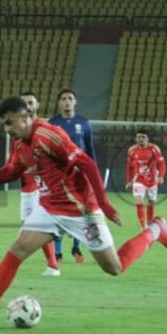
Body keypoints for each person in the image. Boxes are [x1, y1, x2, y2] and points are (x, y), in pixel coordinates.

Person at [0, 96, 167, 327]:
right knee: (17, 249)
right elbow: (11, 172)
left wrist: (104, 204)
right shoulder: (20, 143)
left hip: (80, 211)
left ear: (25, 117)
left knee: (115, 267)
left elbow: (87, 164)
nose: (6, 129)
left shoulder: (48, 135)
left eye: (10, 123)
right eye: (4, 124)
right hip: (49, 207)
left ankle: (156, 229)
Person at [47, 87, 97, 264]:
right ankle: (58, 253)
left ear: (75, 102)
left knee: (81, 211)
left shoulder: (84, 122)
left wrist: (93, 171)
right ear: (59, 103)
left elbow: (90, 148)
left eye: (70, 98)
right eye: (63, 99)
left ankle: (77, 249)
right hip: (59, 175)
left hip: (80, 173)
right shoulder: (52, 123)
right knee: (59, 211)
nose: (67, 101)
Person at [16, 91, 60, 277]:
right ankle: (52, 265)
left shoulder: (44, 129)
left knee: (36, 226)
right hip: (26, 187)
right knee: (28, 224)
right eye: (23, 103)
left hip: (40, 187)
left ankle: (53, 266)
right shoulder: (17, 130)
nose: (27, 106)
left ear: (37, 105)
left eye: (30, 102)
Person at [126, 130, 166, 229]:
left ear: (147, 139)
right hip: (138, 179)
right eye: (139, 137)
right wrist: (128, 181)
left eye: (143, 137)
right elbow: (129, 167)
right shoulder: (132, 150)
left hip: (152, 179)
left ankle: (150, 224)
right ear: (136, 139)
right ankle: (143, 227)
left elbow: (161, 164)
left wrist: (161, 176)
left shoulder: (154, 148)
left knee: (151, 202)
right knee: (139, 201)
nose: (141, 139)